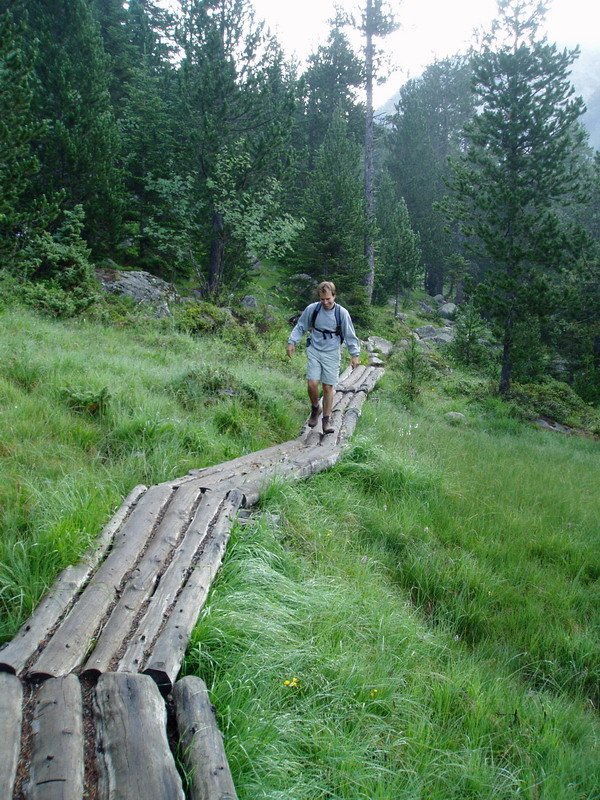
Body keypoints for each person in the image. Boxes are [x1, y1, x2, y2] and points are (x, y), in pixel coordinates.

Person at [286, 281, 360, 434]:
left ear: (334, 296)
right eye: (322, 299)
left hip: (332, 352)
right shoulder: (312, 309)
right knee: (312, 383)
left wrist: (355, 354)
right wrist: (291, 342)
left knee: (328, 387)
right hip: (314, 349)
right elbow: (301, 326)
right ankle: (315, 408)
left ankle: (326, 421)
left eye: (328, 299)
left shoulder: (341, 313)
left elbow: (349, 334)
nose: (325, 302)